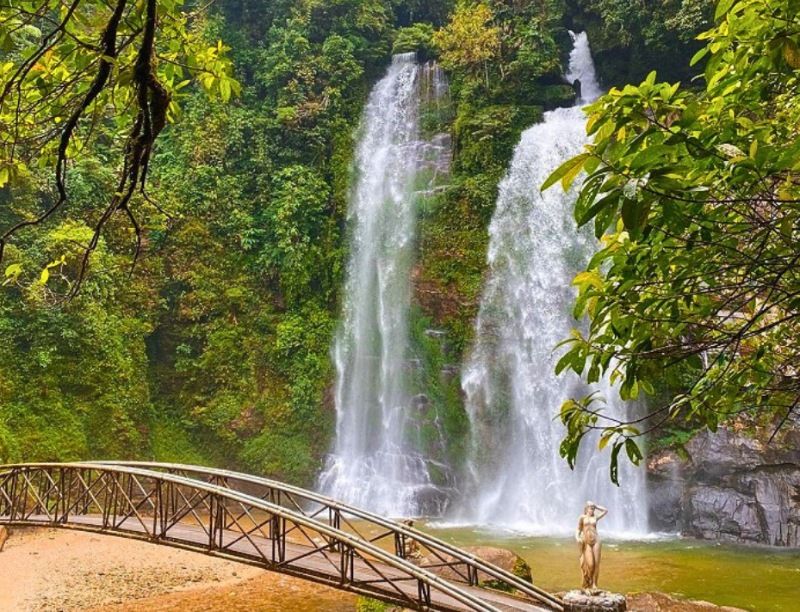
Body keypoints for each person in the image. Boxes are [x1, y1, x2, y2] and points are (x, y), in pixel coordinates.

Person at [576, 501, 607, 592]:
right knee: (590, 564)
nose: (592, 509)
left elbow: (605, 511)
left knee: (597, 564)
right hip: (587, 542)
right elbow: (578, 529)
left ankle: (594, 584)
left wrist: (596, 506)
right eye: (590, 508)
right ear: (586, 508)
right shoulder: (582, 517)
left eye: (593, 508)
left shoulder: (595, 517)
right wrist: (577, 537)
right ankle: (587, 583)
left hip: (596, 541)